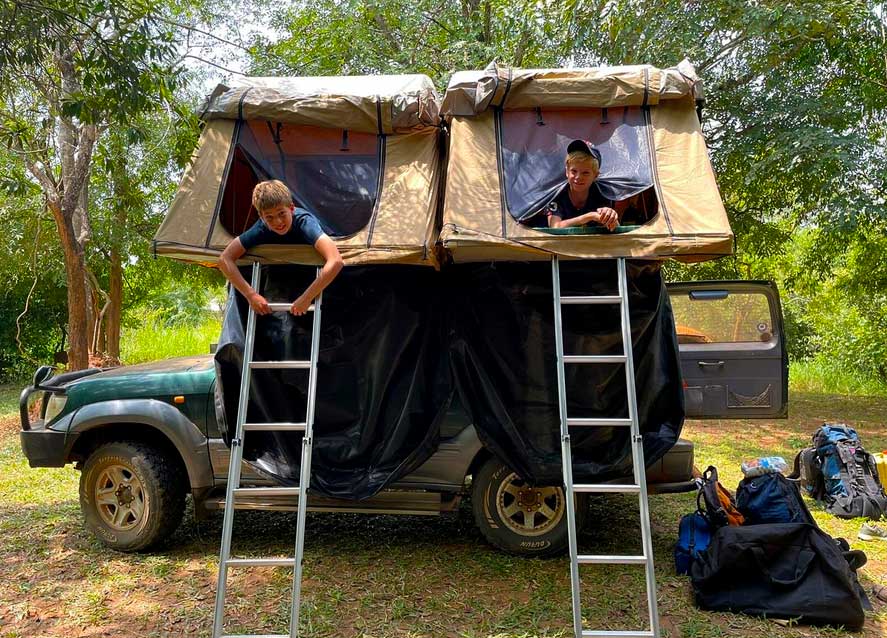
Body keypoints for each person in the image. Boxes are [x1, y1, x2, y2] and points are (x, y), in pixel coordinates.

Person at [218, 179, 344, 316]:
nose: (277, 222)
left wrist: (307, 298)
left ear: (291, 208)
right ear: (261, 217)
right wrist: (251, 295)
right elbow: (225, 259)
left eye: (281, 213)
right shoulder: (261, 228)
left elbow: (336, 260)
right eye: (269, 217)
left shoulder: (304, 223)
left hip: (314, 281)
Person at [546, 140, 619, 231]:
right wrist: (589, 216)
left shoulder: (602, 193)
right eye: (574, 171)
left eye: (585, 173)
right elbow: (555, 227)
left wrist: (610, 217)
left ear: (595, 175)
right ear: (567, 172)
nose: (578, 177)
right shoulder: (557, 194)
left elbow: (614, 228)